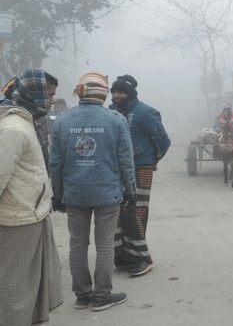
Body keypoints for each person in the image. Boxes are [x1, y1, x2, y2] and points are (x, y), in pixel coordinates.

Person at [50, 72, 135, 312]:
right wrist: (131, 191)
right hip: (107, 194)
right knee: (105, 244)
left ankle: (83, 296)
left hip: (74, 194)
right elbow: (125, 162)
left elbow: (56, 162)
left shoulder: (62, 121)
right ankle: (102, 296)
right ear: (104, 94)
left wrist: (58, 194)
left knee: (77, 244)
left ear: (81, 91)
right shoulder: (116, 120)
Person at [0, 69, 63, 326]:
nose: (51, 101)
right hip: (18, 215)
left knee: (31, 276)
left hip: (30, 210)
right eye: (47, 95)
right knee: (17, 278)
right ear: (32, 94)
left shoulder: (25, 122)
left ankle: (23, 324)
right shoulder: (13, 128)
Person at [110, 74, 171, 277]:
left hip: (140, 168)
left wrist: (153, 160)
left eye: (121, 92)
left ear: (131, 93)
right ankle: (124, 256)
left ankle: (142, 258)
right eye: (114, 91)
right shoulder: (110, 112)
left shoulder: (145, 112)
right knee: (118, 212)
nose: (117, 95)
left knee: (134, 212)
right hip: (117, 170)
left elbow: (163, 140)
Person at [3, 72, 58, 171]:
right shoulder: (14, 129)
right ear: (35, 95)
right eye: (50, 96)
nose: (53, 101)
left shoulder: (30, 119)